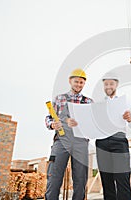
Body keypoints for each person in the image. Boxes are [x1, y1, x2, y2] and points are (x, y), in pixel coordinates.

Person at [45, 68, 93, 200]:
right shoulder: (59, 99)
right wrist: (52, 124)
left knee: (80, 179)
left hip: (81, 142)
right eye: (76, 81)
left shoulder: (89, 102)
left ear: (84, 84)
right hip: (61, 141)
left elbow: (94, 123)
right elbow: (49, 118)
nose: (78, 84)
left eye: (81, 82)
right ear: (70, 81)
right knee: (54, 176)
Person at [95, 72, 131, 200]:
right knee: (107, 181)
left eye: (111, 84)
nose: (108, 86)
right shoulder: (98, 104)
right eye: (106, 84)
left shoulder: (124, 101)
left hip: (119, 140)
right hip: (101, 141)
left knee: (122, 178)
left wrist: (130, 119)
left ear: (116, 84)